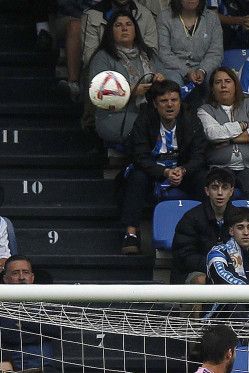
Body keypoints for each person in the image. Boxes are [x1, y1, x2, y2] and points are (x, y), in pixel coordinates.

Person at [118, 79, 205, 255]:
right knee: (137, 177)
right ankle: (131, 234)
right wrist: (163, 172)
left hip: (182, 170)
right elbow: (139, 156)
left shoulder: (191, 119)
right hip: (153, 170)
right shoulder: (145, 119)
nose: (170, 105)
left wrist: (183, 170)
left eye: (174, 100)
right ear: (155, 105)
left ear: (180, 102)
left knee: (204, 179)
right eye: (164, 101)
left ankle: (205, 231)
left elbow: (199, 155)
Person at [86, 13, 168, 145]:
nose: (124, 28)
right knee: (152, 125)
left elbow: (166, 84)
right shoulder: (103, 57)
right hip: (114, 116)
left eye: (129, 24)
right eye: (119, 25)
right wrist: (130, 91)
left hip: (149, 111)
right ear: (110, 32)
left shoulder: (148, 54)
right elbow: (97, 95)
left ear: (135, 30)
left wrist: (161, 79)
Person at [199, 66, 249, 201]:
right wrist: (243, 125)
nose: (223, 86)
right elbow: (213, 134)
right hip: (220, 166)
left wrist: (231, 140)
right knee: (219, 190)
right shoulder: (205, 110)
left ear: (235, 85)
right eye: (218, 82)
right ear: (212, 89)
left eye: (227, 81)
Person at [171, 166, 236, 283]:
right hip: (198, 270)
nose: (220, 193)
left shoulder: (239, 218)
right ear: (207, 191)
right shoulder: (190, 218)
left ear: (231, 191)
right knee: (201, 280)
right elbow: (184, 256)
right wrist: (216, 263)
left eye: (225, 188)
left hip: (232, 269)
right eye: (215, 188)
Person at [156, 0, 223, 104]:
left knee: (216, 80)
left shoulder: (212, 18)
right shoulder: (164, 17)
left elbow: (216, 52)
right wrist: (186, 71)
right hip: (174, 69)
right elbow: (164, 52)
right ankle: (178, 118)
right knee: (174, 85)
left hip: (204, 67)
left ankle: (214, 116)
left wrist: (203, 69)